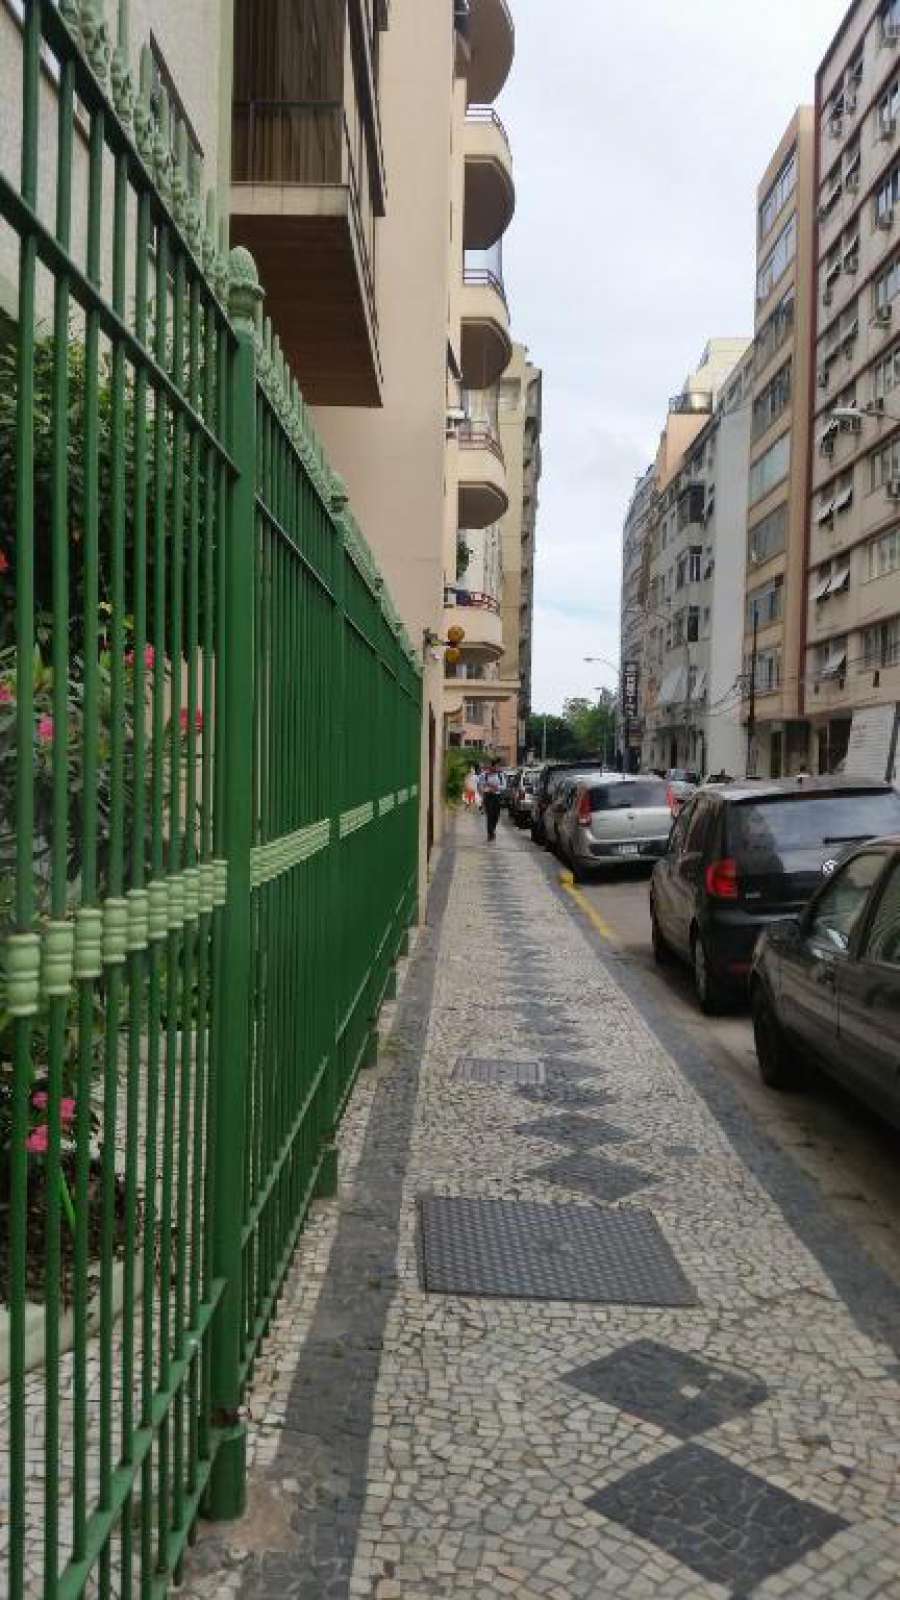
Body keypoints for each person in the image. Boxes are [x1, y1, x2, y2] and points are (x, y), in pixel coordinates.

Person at [479, 761, 503, 842]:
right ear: (491, 767)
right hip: (488, 796)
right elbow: (481, 785)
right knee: (490, 815)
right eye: (496, 766)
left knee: (496, 815)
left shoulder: (500, 775)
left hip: (497, 796)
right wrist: (488, 789)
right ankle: (490, 834)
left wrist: (497, 788)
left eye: (498, 766)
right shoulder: (484, 775)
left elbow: (504, 786)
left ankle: (492, 829)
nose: (497, 768)